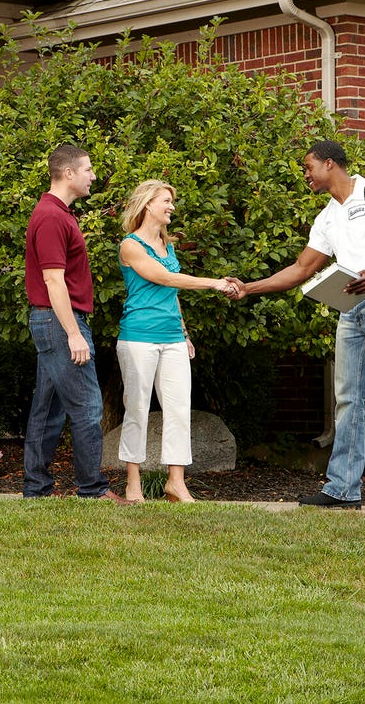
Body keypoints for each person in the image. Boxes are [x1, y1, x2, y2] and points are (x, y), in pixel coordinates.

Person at [228, 140, 365, 514]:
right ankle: (342, 490)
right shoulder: (326, 219)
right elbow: (301, 270)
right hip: (350, 311)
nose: (305, 175)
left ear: (329, 164)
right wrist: (247, 287)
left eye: (308, 167)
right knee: (347, 400)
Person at [23, 144, 132, 504]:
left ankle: (36, 491)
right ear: (68, 173)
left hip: (53, 321)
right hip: (60, 321)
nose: (93, 176)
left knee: (49, 409)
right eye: (88, 169)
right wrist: (73, 333)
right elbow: (54, 281)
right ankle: (93, 491)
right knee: (87, 408)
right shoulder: (52, 217)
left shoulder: (56, 213)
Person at [116, 180, 237, 503]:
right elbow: (165, 278)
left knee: (179, 409)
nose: (171, 206)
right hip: (138, 337)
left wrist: (183, 334)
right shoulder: (131, 246)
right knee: (137, 409)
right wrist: (214, 283)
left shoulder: (167, 246)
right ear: (147, 205)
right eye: (166, 201)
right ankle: (133, 484)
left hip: (171, 338)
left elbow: (172, 293)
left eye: (172, 201)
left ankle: (176, 483)